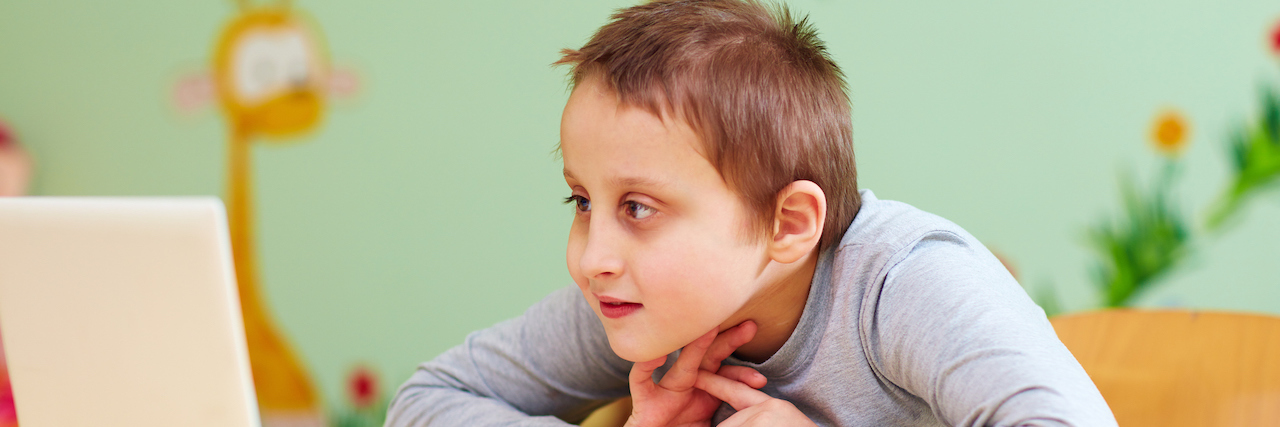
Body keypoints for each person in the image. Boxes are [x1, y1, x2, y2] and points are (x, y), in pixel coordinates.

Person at [387, 1, 1116, 425]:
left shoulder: (904, 285)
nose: (591, 254)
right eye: (582, 201)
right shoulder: (640, 302)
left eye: (638, 206)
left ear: (789, 224)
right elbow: (427, 401)